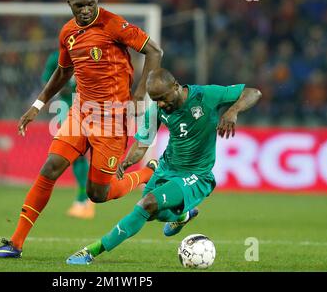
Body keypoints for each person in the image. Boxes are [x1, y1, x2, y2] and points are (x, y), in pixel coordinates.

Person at [0, 0, 163, 258]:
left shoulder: (113, 24)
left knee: (98, 194)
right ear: (69, 4)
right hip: (81, 112)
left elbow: (154, 51)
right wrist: (37, 104)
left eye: (91, 3)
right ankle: (15, 243)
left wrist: (141, 94)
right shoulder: (67, 33)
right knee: (51, 167)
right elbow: (63, 72)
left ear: (97, 1)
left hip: (112, 118)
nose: (86, 10)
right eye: (80, 5)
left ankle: (147, 173)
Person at [66, 68, 262, 264]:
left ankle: (91, 251)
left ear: (175, 86)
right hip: (167, 168)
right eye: (155, 99)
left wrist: (232, 111)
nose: (160, 103)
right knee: (151, 213)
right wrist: (127, 161)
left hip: (196, 174)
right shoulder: (158, 109)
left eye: (162, 98)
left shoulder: (206, 95)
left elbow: (254, 92)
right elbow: (143, 142)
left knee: (147, 203)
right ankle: (183, 216)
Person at [42, 50, 94, 219]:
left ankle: (86, 198)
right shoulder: (55, 57)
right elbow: (48, 81)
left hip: (91, 106)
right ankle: (83, 199)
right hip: (66, 108)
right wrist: (61, 87)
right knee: (76, 155)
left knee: (83, 153)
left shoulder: (91, 53)